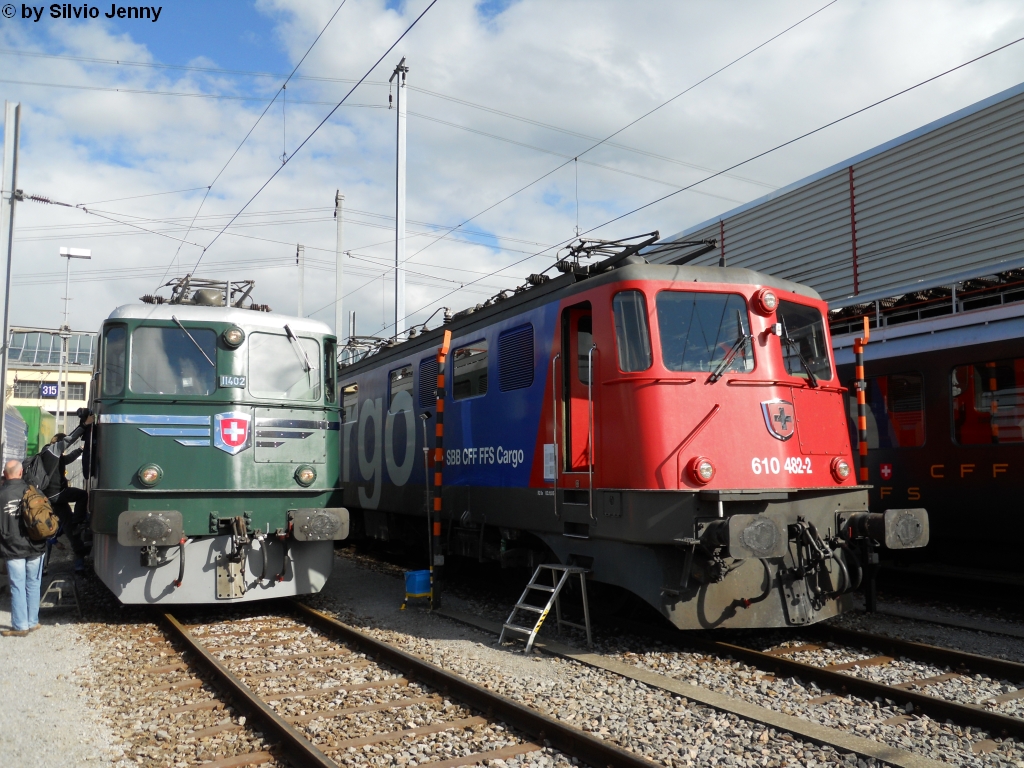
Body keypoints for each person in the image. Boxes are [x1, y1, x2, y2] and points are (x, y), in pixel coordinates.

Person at [40, 412, 94, 572]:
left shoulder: (52, 456)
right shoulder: (51, 452)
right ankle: (76, 525)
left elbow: (68, 459)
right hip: (56, 495)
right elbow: (69, 439)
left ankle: (77, 560)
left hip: (53, 497)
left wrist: (80, 450)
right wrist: (84, 426)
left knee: (68, 528)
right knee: (82, 495)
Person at [0, 459, 45, 636]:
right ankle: (33, 621)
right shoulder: (34, 491)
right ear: (21, 473)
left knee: (17, 586)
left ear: (5, 474)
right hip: (35, 546)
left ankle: (20, 626)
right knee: (33, 583)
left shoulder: (1, 494)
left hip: (12, 548)